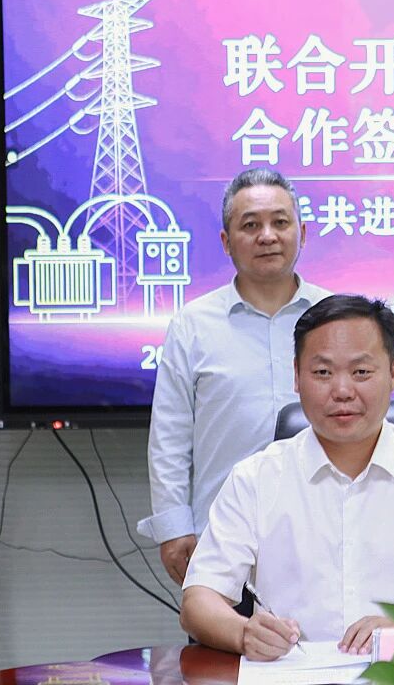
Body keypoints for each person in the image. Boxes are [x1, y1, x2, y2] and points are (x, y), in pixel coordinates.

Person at [180, 294, 394, 660]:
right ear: (297, 376)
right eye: (322, 373)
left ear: (393, 373)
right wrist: (244, 633)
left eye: (361, 372)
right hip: (293, 674)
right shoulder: (256, 478)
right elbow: (198, 600)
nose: (342, 391)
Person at [137, 167, 329, 594]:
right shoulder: (192, 325)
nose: (267, 236)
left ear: (302, 233)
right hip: (223, 536)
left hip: (327, 534)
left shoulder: (336, 318)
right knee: (222, 639)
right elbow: (169, 437)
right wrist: (173, 528)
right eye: (250, 225)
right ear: (226, 242)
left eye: (280, 222)